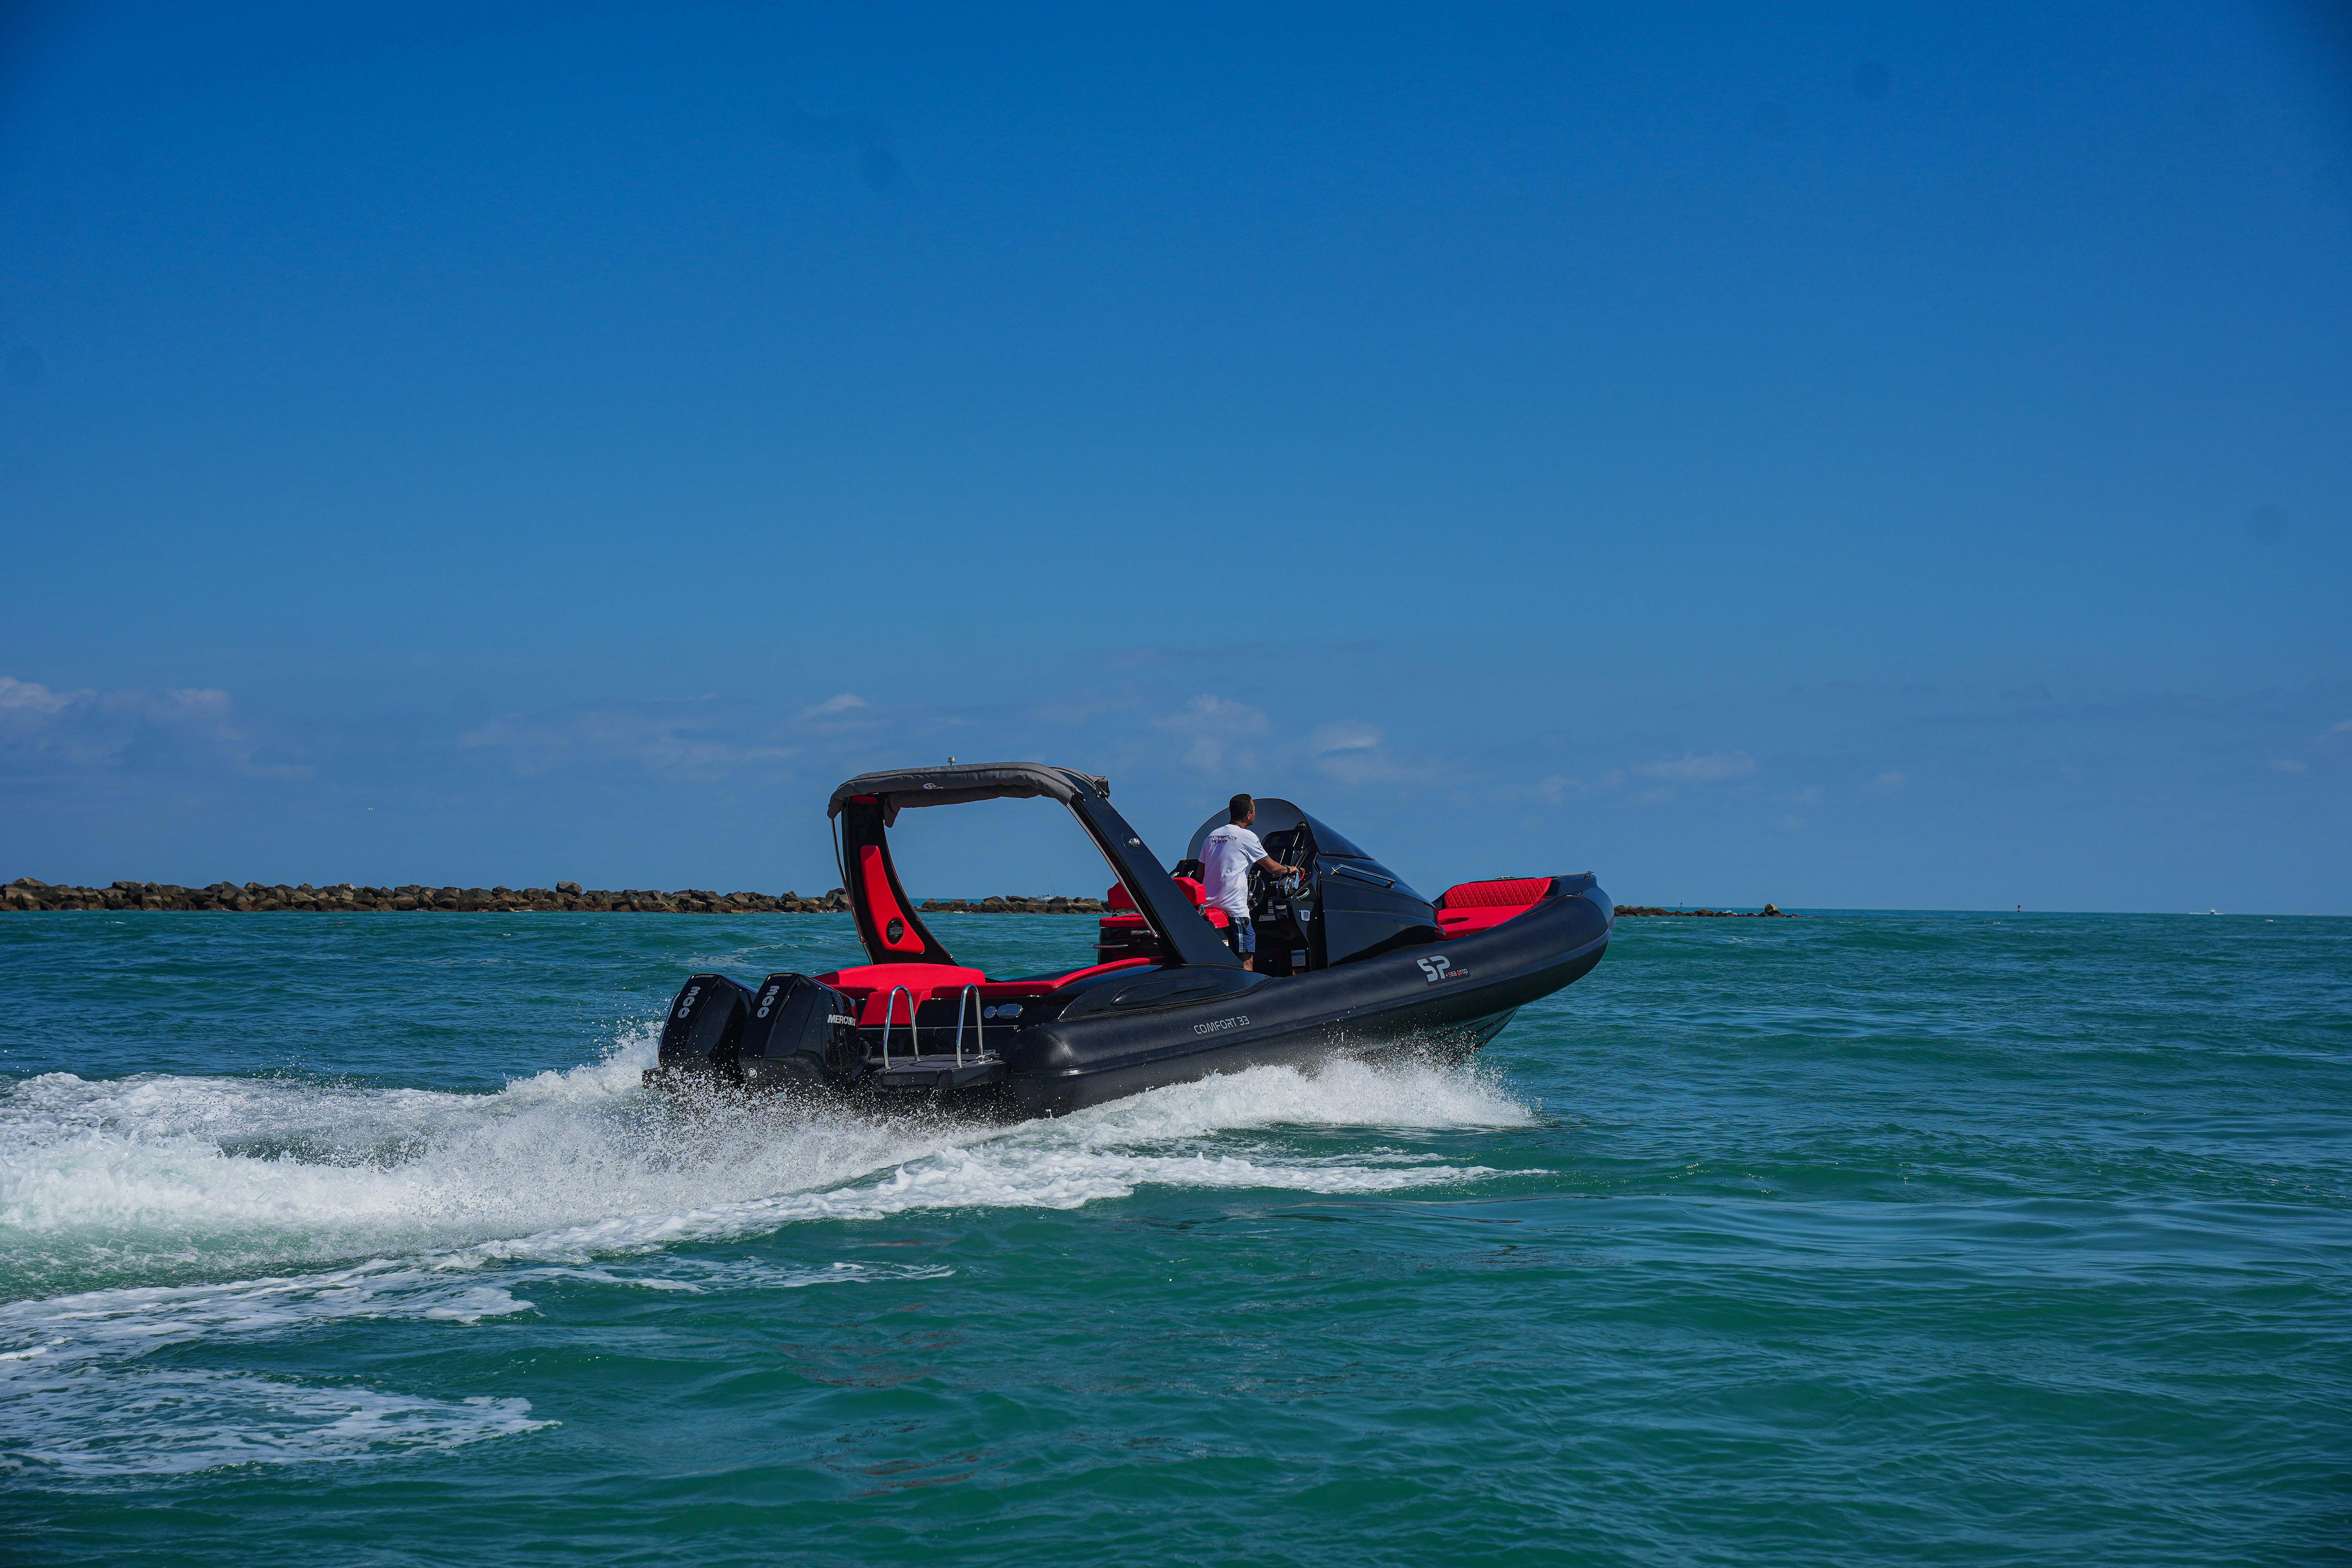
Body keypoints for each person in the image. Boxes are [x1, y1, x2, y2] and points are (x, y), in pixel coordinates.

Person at [1200, 793, 1304, 971]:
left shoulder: (1212, 836)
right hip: (1235, 910)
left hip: (1210, 908)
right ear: (1249, 815)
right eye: (1254, 810)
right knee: (1247, 963)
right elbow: (1273, 868)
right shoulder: (1247, 837)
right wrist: (1291, 869)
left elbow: (1201, 874)